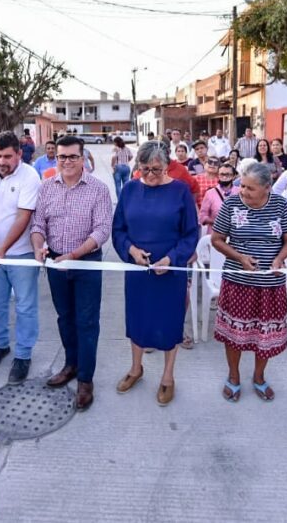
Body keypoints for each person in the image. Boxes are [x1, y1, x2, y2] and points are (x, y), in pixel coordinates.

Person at [112, 141, 199, 406]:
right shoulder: (129, 190)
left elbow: (191, 233)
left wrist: (172, 258)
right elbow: (118, 230)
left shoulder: (180, 191)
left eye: (156, 169)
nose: (150, 175)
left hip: (169, 270)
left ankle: (168, 377)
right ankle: (136, 368)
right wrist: (131, 251)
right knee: (137, 320)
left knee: (169, 322)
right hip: (138, 270)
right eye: (145, 169)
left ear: (167, 166)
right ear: (137, 166)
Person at [31, 135, 113, 411]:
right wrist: (39, 247)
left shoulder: (98, 189)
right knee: (65, 318)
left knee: (87, 322)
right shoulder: (46, 188)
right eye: (62, 156)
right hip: (55, 263)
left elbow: (102, 230)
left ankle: (86, 380)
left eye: (72, 156)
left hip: (86, 263)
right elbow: (37, 224)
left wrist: (75, 255)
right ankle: (71, 365)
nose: (66, 161)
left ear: (83, 158)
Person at [211, 162, 287, 402]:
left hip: (270, 284)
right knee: (234, 333)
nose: (243, 192)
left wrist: (280, 258)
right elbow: (217, 239)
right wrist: (239, 257)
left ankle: (259, 376)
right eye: (242, 186)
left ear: (267, 188)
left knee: (265, 335)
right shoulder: (231, 204)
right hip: (237, 281)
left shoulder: (280, 206)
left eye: (250, 188)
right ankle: (234, 376)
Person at [0, 131, 42, 385]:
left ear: (19, 155)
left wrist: (2, 249)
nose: (1, 161)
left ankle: (23, 354)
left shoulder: (30, 176)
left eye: (7, 156)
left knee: (25, 305)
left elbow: (23, 217)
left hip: (21, 252)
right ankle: (0, 345)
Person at [199, 164, 239, 234]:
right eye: (222, 174)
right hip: (215, 234)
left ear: (233, 176)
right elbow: (202, 216)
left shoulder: (240, 192)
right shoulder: (210, 193)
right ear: (218, 175)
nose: (224, 177)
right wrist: (217, 222)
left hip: (235, 234)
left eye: (228, 174)